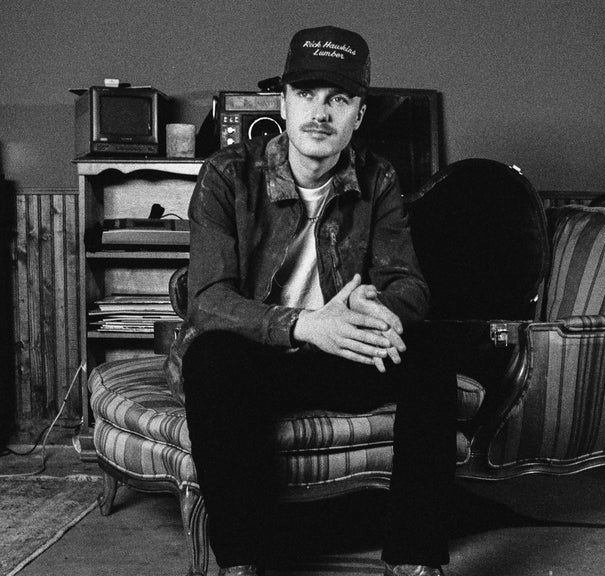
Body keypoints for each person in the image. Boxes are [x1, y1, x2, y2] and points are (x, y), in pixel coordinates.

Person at [171, 25, 456, 576]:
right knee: (209, 358)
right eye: (306, 95)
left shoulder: (378, 178)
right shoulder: (228, 175)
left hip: (339, 355)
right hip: (256, 360)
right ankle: (242, 562)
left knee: (430, 352)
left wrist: (376, 308)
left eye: (338, 99)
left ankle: (414, 560)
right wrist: (304, 324)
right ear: (283, 103)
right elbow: (207, 299)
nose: (320, 113)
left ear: (358, 115)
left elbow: (411, 285)